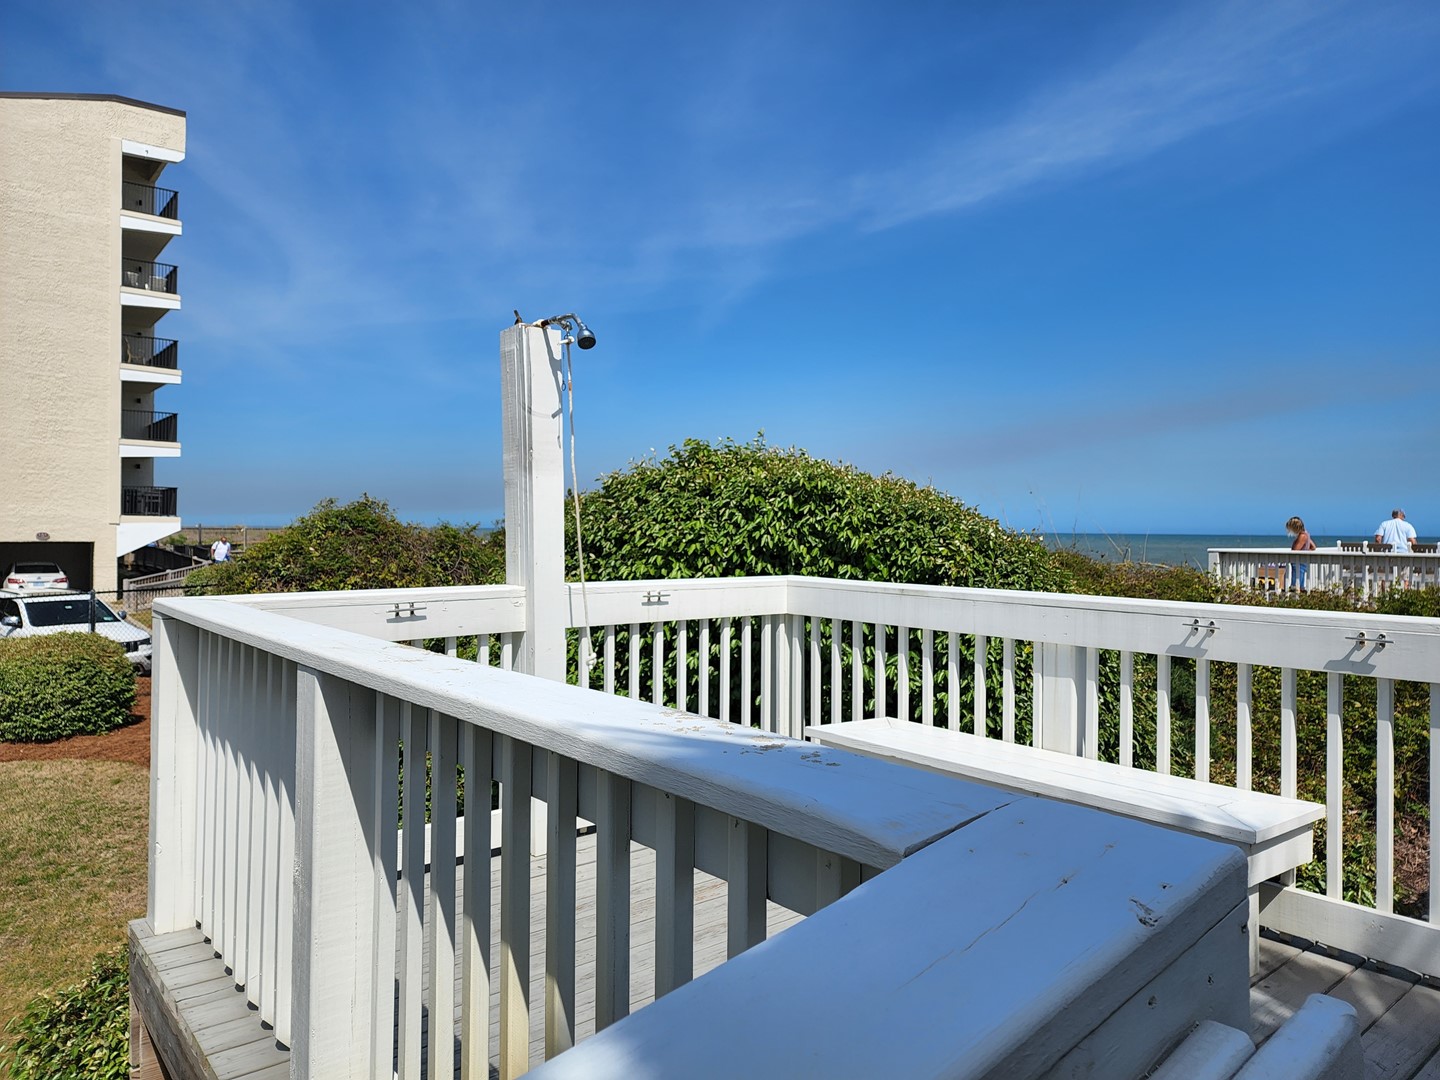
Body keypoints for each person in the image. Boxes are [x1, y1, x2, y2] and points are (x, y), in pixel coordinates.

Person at [1286, 516, 1316, 590]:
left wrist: (1303, 551)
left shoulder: (1302, 536)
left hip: (1298, 563)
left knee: (1296, 586)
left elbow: (1295, 550)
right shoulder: (1306, 534)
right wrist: (1305, 551)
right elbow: (1313, 547)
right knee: (1299, 586)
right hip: (1301, 563)